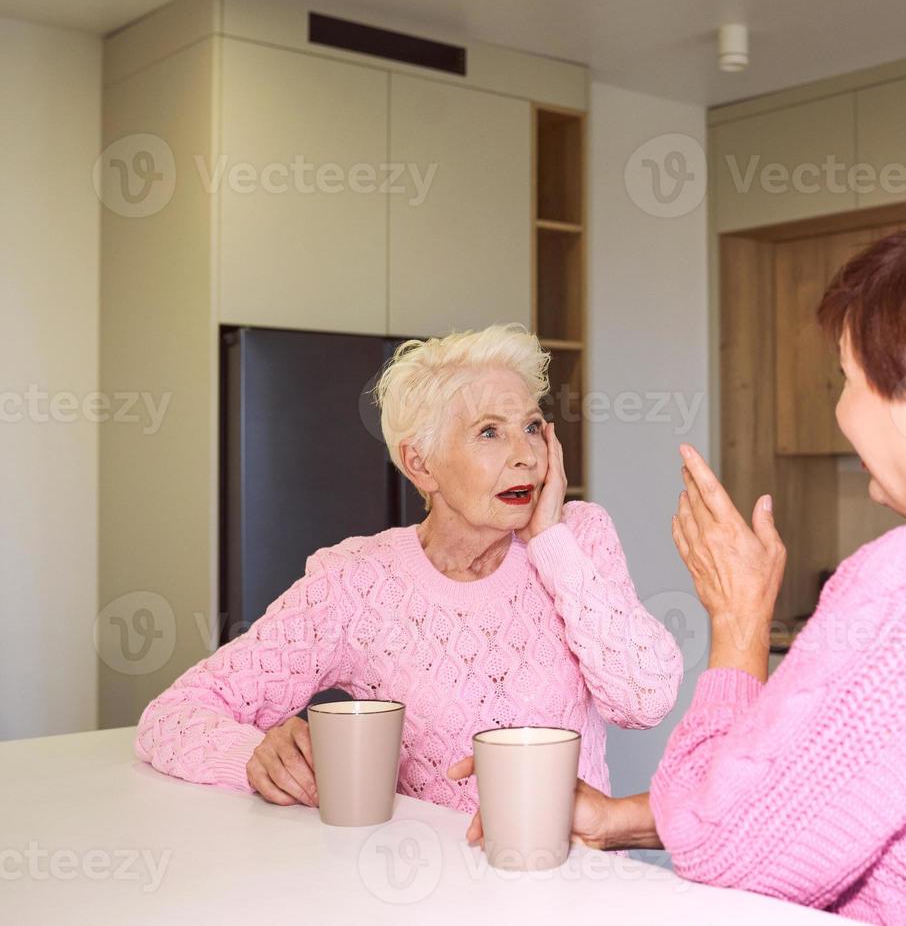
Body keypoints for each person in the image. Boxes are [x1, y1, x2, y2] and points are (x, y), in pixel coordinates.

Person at [453, 215, 906, 923]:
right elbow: (834, 798)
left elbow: (724, 847)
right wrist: (617, 820)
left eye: (849, 379)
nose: (840, 410)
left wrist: (737, 624)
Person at [136, 323, 683, 813]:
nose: (526, 455)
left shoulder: (578, 539)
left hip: (574, 892)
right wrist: (255, 755)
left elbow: (646, 699)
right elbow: (173, 716)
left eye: (533, 427)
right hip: (426, 893)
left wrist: (549, 541)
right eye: (490, 432)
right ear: (421, 463)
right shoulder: (357, 581)